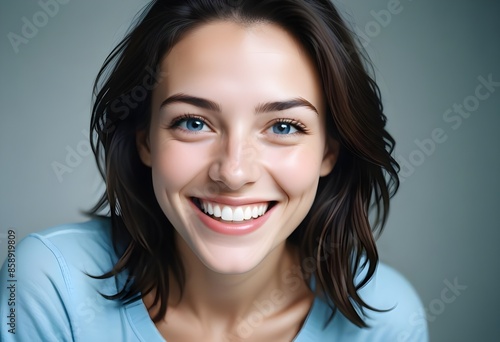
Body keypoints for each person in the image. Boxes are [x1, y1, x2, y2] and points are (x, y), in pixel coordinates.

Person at [0, 0, 429, 341]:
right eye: (193, 122)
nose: (234, 171)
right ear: (145, 139)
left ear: (328, 152)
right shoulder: (45, 282)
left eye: (283, 126)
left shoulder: (387, 320)